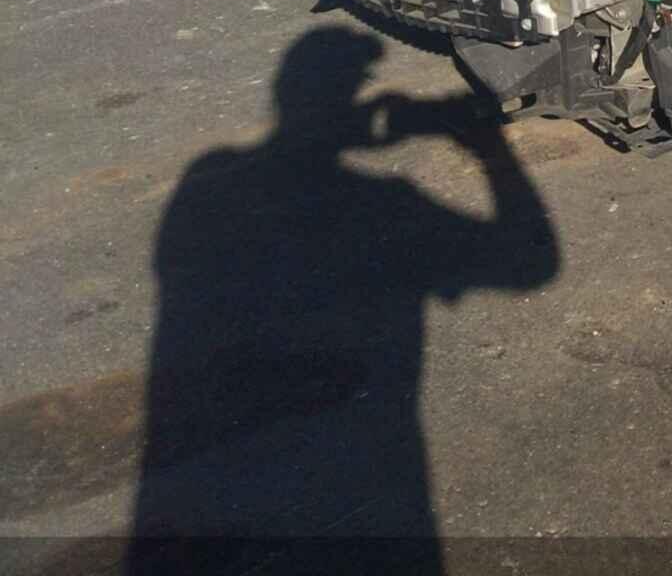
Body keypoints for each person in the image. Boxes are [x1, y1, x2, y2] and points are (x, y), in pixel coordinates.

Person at [128, 28, 559, 573]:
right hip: (370, 497)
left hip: (208, 502)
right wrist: (490, 150)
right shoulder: (386, 205)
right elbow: (532, 265)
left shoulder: (206, 184)